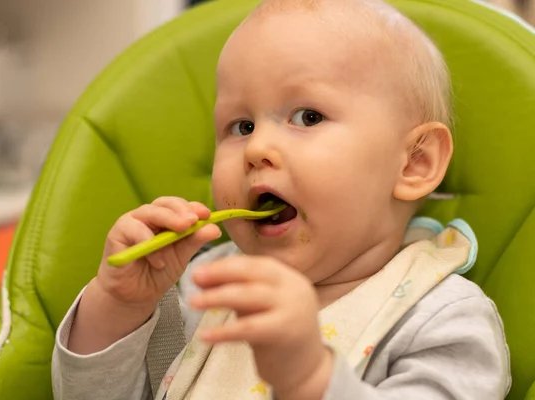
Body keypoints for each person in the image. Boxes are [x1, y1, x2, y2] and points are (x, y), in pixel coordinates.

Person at [52, 0, 511, 398]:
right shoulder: (201, 290)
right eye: (241, 126)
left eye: (308, 116)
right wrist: (119, 306)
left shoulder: (440, 320)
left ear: (413, 163)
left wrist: (310, 378)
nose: (256, 149)